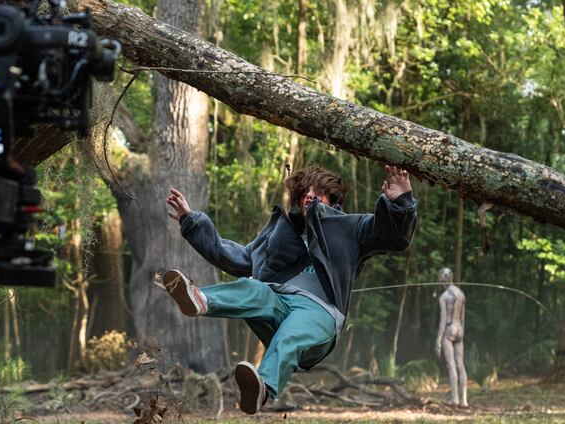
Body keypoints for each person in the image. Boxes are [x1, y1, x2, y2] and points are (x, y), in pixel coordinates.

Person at [163, 165, 417, 414]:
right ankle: (202, 299)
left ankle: (264, 386)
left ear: (331, 198)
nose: (310, 196)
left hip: (319, 314)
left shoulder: (351, 228)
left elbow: (393, 237)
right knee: (253, 288)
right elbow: (234, 256)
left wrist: (400, 202)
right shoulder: (278, 233)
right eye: (305, 192)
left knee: (292, 334)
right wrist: (190, 221)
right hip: (277, 304)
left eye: (318, 192)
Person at [435, 267, 468, 407]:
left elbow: (443, 319)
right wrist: (462, 332)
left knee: (451, 365)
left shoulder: (444, 297)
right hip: (459, 329)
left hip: (448, 329)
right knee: (461, 365)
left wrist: (438, 341)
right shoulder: (461, 294)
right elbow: (463, 318)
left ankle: (455, 398)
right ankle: (464, 400)